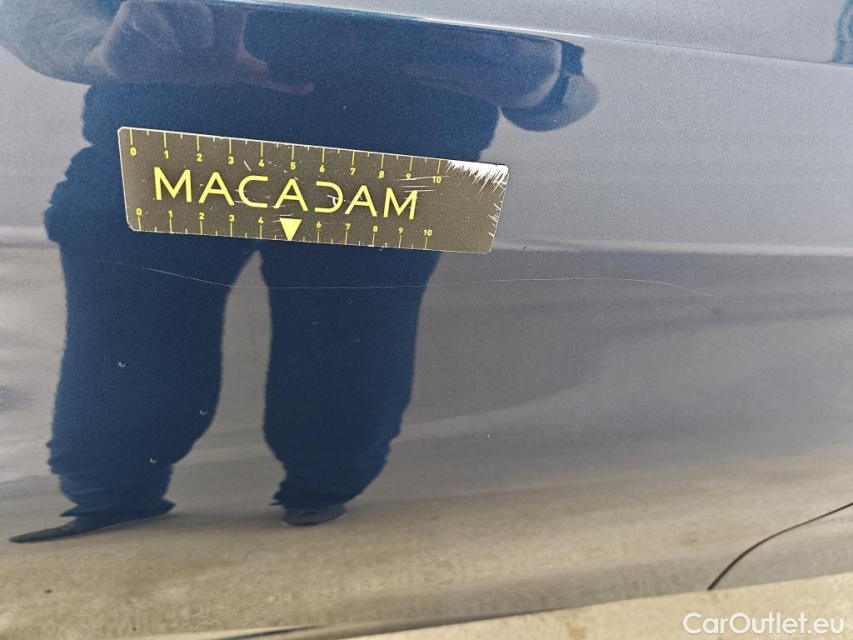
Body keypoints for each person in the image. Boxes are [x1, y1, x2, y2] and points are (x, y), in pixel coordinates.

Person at [2, 0, 596, 542]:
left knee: (132, 365)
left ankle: (116, 493)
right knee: (344, 378)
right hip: (393, 151)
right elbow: (566, 78)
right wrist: (544, 88)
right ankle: (308, 494)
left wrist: (97, 52)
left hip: (189, 133)